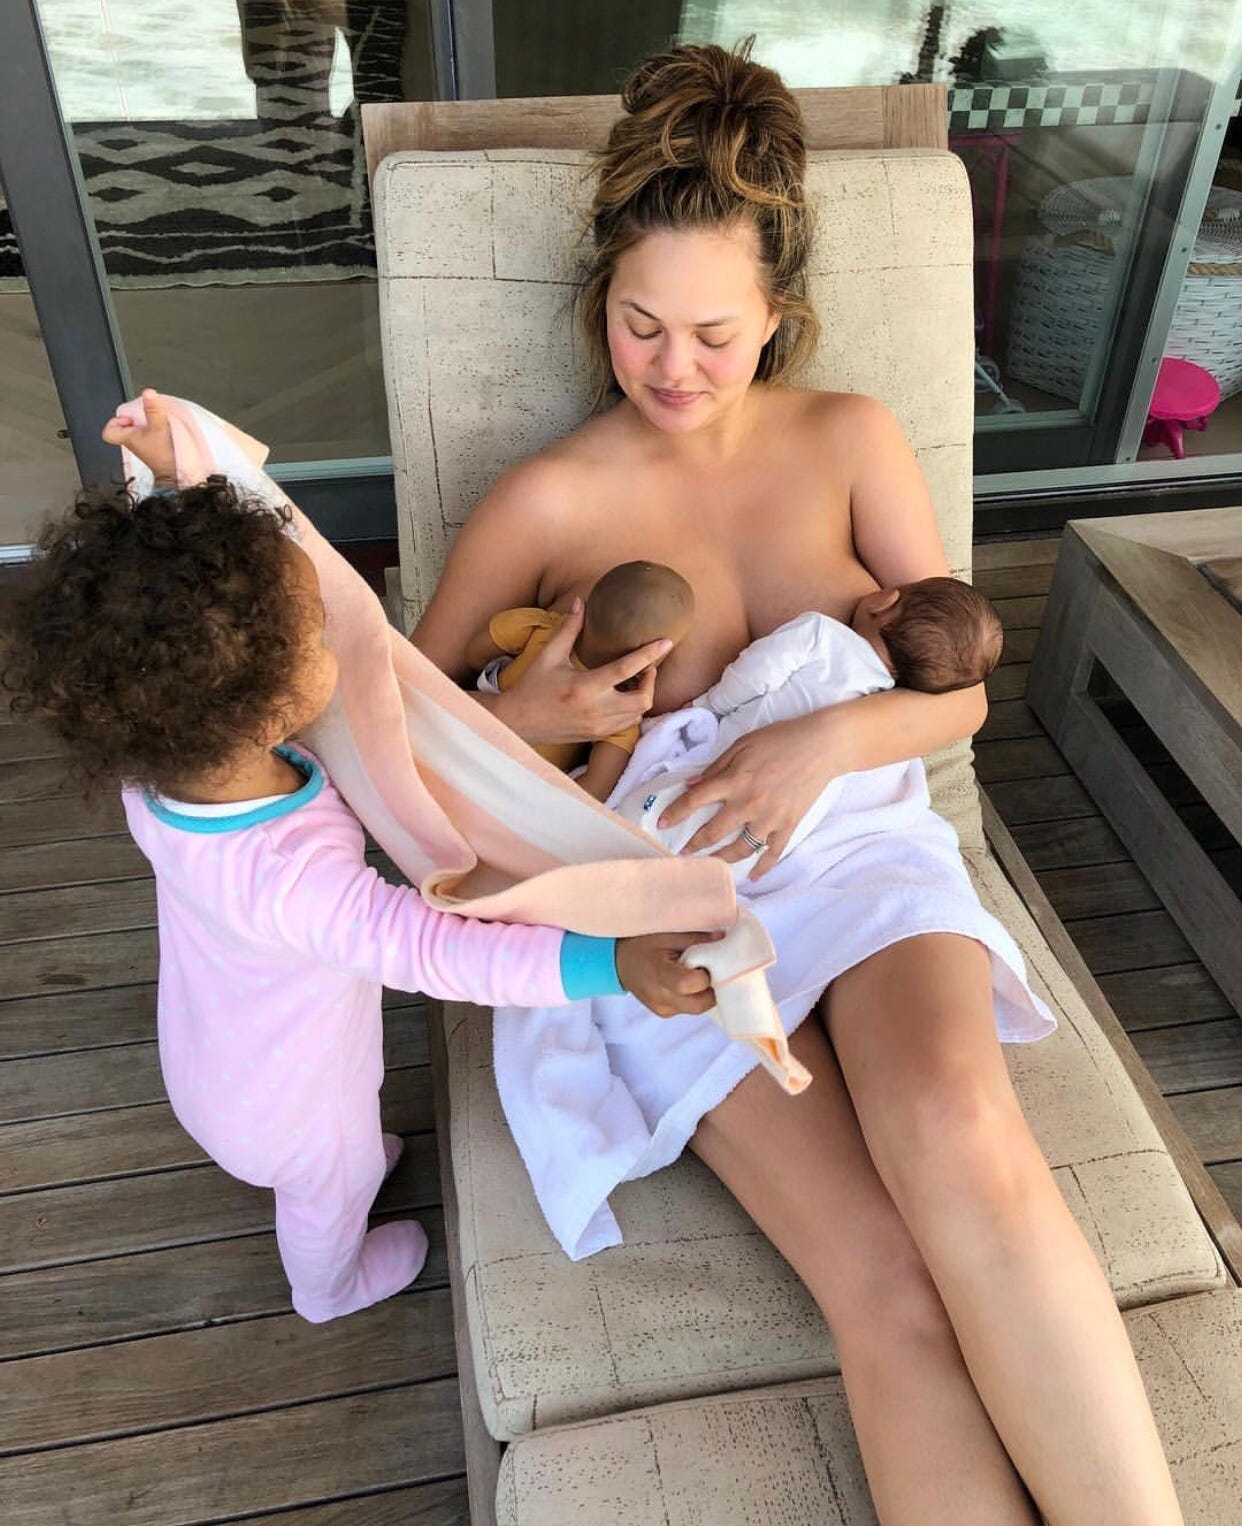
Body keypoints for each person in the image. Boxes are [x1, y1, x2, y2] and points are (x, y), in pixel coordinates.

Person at [413, 41, 1184, 1526]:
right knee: (883, 1278)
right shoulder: (547, 497)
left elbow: (957, 677)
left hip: (855, 845)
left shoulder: (849, 439)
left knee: (963, 1142)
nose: (673, 367)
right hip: (663, 901)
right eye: (640, 325)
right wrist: (534, 709)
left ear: (778, 313)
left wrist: (819, 740)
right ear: (601, 302)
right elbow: (412, 751)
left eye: (714, 331)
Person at [2, 391, 720, 1327]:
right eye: (316, 629)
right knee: (330, 1189)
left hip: (213, 1059)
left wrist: (179, 465)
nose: (341, 626)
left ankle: (339, 1186)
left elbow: (158, 609)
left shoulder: (161, 775)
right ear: (268, 707)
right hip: (296, 1112)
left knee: (340, 1156)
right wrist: (611, 963)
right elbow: (439, 951)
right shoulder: (295, 882)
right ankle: (329, 1287)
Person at [469, 559, 695, 800]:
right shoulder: (618, 716)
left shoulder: (539, 627)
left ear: (586, 605)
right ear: (651, 657)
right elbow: (594, 791)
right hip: (507, 790)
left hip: (467, 727)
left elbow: (475, 653)